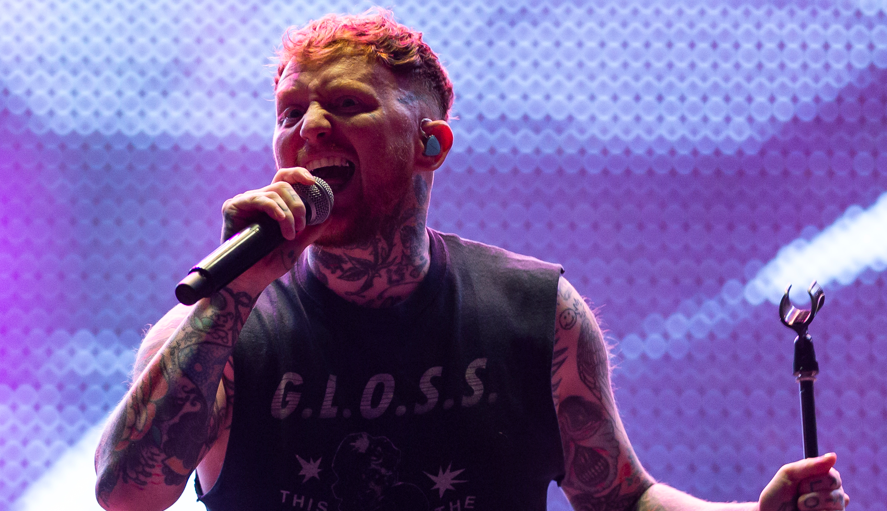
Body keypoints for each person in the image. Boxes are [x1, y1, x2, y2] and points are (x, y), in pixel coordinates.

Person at [94, 9, 849, 511]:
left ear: (431, 144)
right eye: (292, 112)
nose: (310, 128)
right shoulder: (217, 324)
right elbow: (125, 492)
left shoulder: (532, 311)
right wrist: (231, 297)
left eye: (349, 104)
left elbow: (620, 497)